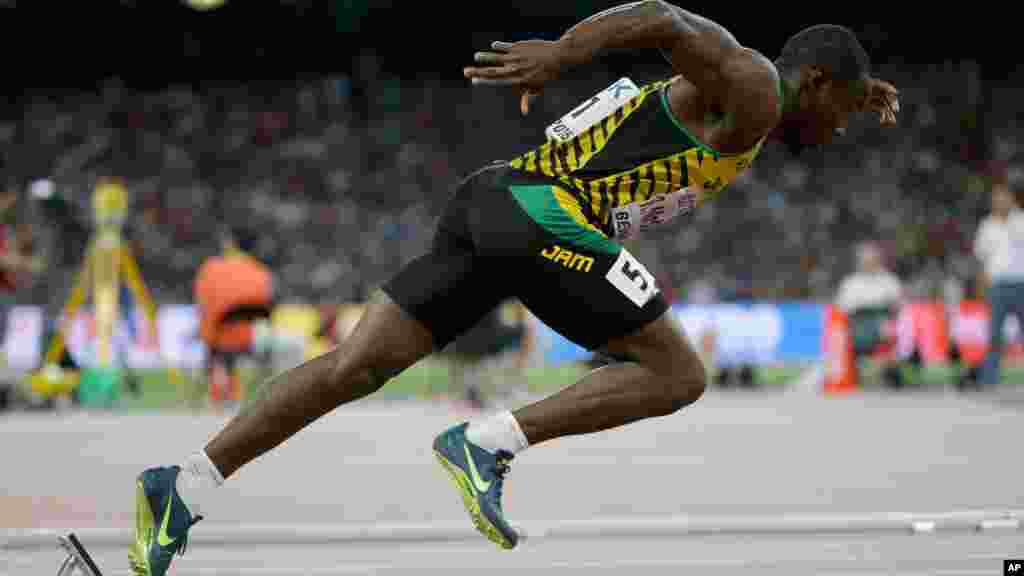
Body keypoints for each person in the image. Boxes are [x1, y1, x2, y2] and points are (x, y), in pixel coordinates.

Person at [128, 4, 899, 574]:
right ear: (818, 80)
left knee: (351, 368)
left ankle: (183, 484)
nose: (839, 129)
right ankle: (487, 443)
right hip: (544, 214)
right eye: (841, 107)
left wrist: (860, 96)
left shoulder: (772, 98)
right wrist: (562, 53)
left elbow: (786, 87)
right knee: (677, 373)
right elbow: (664, 19)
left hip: (495, 201)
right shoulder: (758, 87)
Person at [973, 181, 1024, 387]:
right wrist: (982, 283)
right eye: (996, 198)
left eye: (1004, 197)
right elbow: (982, 257)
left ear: (1012, 199)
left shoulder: (1021, 221)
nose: (1000, 201)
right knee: (994, 333)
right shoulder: (986, 226)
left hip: (1021, 283)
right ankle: (990, 378)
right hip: (998, 285)